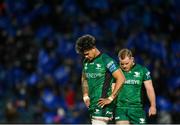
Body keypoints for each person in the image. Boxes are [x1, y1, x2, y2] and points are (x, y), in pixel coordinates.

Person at [75, 34, 125, 125]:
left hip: (103, 106)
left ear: (93, 48)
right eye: (84, 54)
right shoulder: (86, 62)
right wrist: (85, 95)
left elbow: (121, 78)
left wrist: (111, 98)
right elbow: (84, 78)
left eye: (87, 53)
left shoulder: (106, 60)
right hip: (92, 106)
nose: (85, 56)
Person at [115, 48, 157, 124]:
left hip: (137, 109)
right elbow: (112, 89)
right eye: (122, 63)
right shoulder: (116, 71)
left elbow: (149, 89)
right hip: (121, 108)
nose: (124, 66)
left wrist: (153, 105)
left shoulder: (142, 70)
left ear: (132, 59)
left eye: (126, 63)